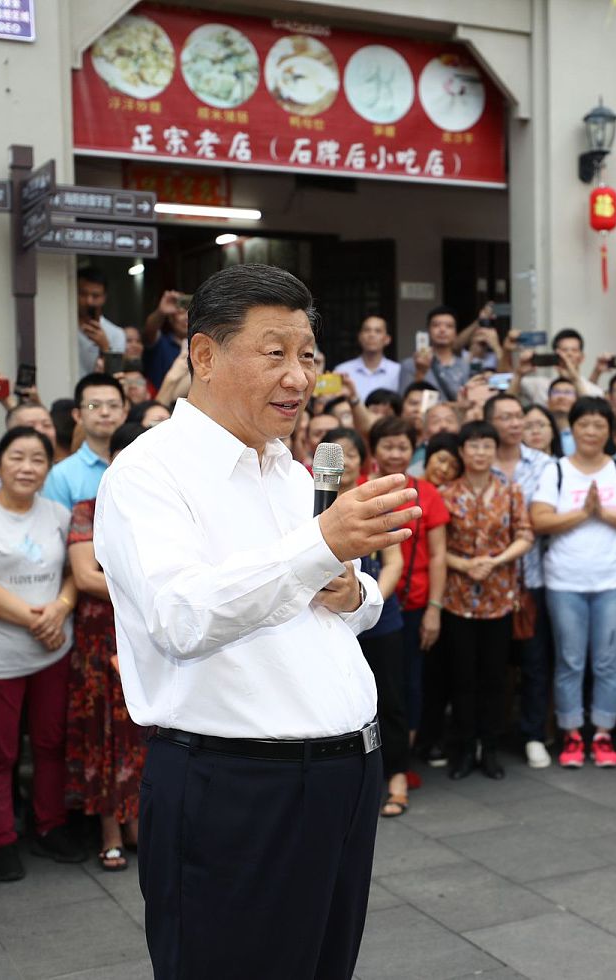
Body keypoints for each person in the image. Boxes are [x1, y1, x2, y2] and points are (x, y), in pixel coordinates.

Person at [94, 264, 419, 980]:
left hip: (345, 776)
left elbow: (343, 603)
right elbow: (180, 617)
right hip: (238, 787)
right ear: (204, 356)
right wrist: (319, 546)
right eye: (274, 353)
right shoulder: (149, 475)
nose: (299, 377)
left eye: (307, 355)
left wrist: (351, 591)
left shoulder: (294, 472)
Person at [0, 426, 81, 882]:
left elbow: (73, 571)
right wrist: (36, 620)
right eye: (17, 458)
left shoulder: (57, 513)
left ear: (48, 467)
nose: (27, 468)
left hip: (52, 651)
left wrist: (60, 608)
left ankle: (49, 826)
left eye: (37, 460)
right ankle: (1, 839)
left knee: (50, 743)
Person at [530, 397, 616, 768]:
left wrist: (605, 513)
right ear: (572, 428)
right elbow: (539, 520)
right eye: (584, 424)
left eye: (600, 425)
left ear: (609, 432)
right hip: (564, 580)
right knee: (570, 661)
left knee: (607, 662)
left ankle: (601, 733)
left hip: (612, 579)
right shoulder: (558, 471)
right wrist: (583, 513)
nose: (591, 431)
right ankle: (571, 734)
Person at [65, 423, 148, 873]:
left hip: (148, 632)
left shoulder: (160, 511)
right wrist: (151, 589)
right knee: (104, 731)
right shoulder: (87, 509)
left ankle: (136, 822)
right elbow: (84, 577)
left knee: (141, 731)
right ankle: (109, 831)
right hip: (102, 633)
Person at [437, 421, 533, 779]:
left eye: (486, 446)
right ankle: (462, 747)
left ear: (495, 450)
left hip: (499, 598)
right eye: (473, 446)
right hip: (457, 598)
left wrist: (495, 561)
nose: (479, 453)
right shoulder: (445, 492)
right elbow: (436, 547)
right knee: (461, 677)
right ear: (462, 452)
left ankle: (490, 747)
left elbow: (525, 535)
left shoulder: (510, 490)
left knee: (495, 678)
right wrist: (464, 565)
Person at [327, 428, 410, 815]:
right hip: (332, 622)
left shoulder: (376, 503)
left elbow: (394, 562)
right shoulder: (316, 504)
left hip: (380, 616)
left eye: (352, 455)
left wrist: (369, 600)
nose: (344, 463)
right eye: (336, 455)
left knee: (389, 699)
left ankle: (396, 778)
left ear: (363, 460)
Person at [367, 417, 448, 768]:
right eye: (388, 446)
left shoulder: (426, 491)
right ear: (374, 449)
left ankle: (405, 758)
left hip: (414, 602)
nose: (396, 454)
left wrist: (434, 607)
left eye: (403, 447)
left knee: (409, 682)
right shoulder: (359, 488)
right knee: (375, 685)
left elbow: (439, 554)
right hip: (370, 605)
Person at [484, 394, 555, 767]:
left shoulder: (545, 464)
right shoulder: (479, 462)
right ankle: (489, 738)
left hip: (533, 574)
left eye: (519, 417)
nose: (514, 423)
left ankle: (532, 734)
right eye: (505, 417)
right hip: (486, 580)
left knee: (534, 660)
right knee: (492, 664)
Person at [43, 373, 126, 512]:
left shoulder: (142, 464)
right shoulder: (61, 475)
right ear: (78, 415)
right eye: (94, 406)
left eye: (113, 405)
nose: (105, 412)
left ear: (124, 413)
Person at [400, 306, 471, 400]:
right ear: (428, 330)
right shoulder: (409, 364)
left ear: (456, 333)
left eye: (449, 326)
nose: (442, 330)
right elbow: (404, 400)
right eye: (436, 325)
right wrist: (420, 372)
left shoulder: (465, 366)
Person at [519, 329, 604, 406]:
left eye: (574, 350)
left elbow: (590, 413)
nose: (569, 354)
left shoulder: (595, 391)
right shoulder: (540, 386)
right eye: (564, 350)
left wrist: (574, 379)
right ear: (555, 355)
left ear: (582, 357)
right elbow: (506, 385)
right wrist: (518, 373)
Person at [335, 314, 401, 400]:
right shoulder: (342, 370)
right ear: (360, 337)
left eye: (378, 331)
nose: (371, 334)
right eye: (367, 330)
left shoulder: (398, 371)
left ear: (387, 339)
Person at [77, 268, 126, 379]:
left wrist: (105, 347)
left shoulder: (116, 334)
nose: (89, 301)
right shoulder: (65, 328)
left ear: (104, 298)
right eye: (83, 294)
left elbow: (116, 376)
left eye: (95, 296)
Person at [140, 289, 188, 390]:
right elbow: (150, 330)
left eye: (190, 312)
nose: (186, 317)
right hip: (163, 402)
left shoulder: (202, 345)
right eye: (181, 312)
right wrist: (161, 312)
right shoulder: (161, 343)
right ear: (171, 319)